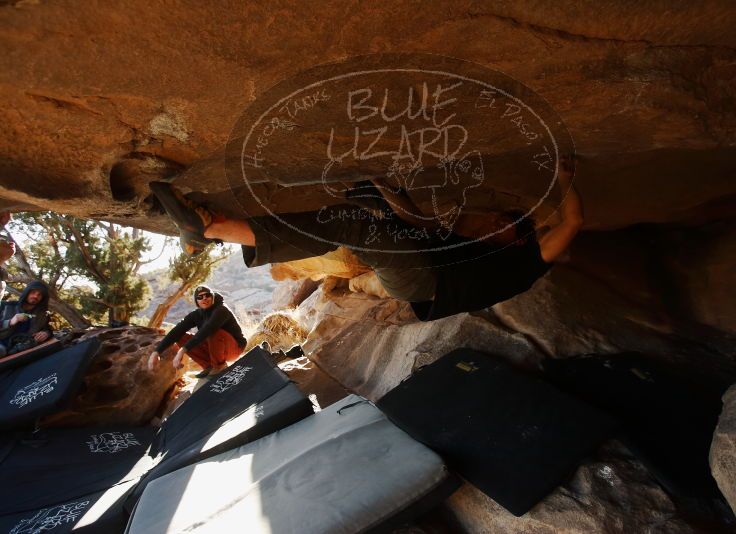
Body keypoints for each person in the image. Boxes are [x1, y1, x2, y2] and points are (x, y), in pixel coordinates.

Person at [149, 157, 582, 321]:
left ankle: (210, 229)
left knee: (354, 226)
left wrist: (564, 179)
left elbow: (572, 221)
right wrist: (386, 192)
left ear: (521, 240)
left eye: (504, 223)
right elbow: (417, 227)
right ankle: (200, 237)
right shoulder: (469, 248)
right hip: (419, 269)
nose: (492, 223)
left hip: (424, 282)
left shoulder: (526, 265)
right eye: (495, 218)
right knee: (368, 206)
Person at [147, 286, 246, 378]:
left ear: (212, 297)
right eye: (200, 297)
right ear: (197, 301)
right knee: (181, 336)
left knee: (212, 332)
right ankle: (209, 366)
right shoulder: (196, 315)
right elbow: (177, 331)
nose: (204, 298)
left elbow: (207, 329)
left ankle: (219, 366)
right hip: (216, 348)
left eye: (207, 295)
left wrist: (182, 351)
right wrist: (156, 352)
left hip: (235, 348)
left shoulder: (221, 310)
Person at [0, 279, 52, 356]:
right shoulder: (5, 306)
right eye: (33, 292)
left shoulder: (42, 316)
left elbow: (48, 330)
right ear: (27, 292)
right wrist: (10, 322)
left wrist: (46, 333)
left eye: (39, 295)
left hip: (20, 353)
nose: (35, 296)